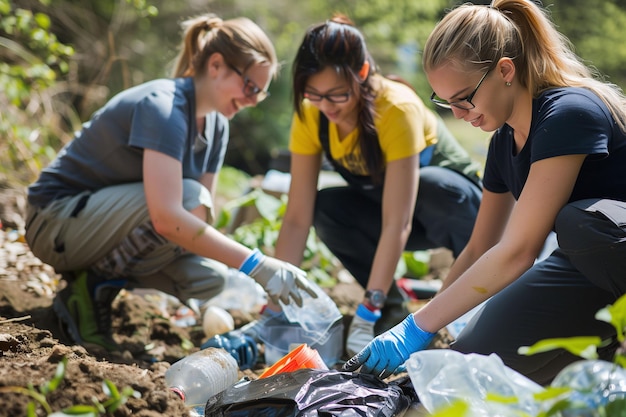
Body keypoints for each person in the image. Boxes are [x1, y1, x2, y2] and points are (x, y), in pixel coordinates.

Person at [344, 0, 626, 385]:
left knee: (577, 223)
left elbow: (520, 250)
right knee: (466, 366)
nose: (457, 114)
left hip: (608, 247)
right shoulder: (503, 144)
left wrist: (415, 324)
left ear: (505, 71)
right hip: (584, 266)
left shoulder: (568, 114)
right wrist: (428, 330)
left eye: (464, 98)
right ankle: (601, 360)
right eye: (445, 102)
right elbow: (479, 249)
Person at [24, 13, 315, 352]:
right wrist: (257, 264)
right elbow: (168, 216)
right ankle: (89, 289)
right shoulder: (164, 107)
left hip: (98, 226)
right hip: (54, 220)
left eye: (260, 93)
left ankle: (98, 284)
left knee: (209, 278)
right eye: (249, 86)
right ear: (217, 65)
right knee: (190, 198)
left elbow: (195, 222)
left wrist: (223, 290)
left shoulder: (217, 126)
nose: (252, 100)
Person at [263, 14, 482, 358]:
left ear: (362, 74)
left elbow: (398, 221)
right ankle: (393, 309)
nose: (325, 106)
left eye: (337, 94)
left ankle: (474, 301)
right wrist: (276, 300)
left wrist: (367, 308)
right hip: (393, 214)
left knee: (434, 184)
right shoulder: (311, 114)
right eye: (313, 94)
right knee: (327, 208)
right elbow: (296, 217)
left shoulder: (395, 109)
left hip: (460, 214)